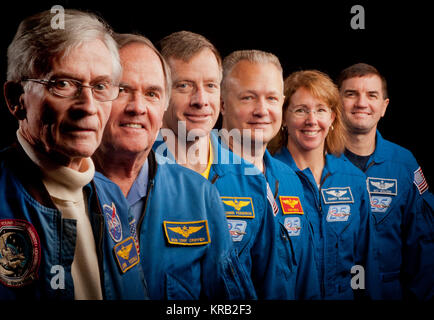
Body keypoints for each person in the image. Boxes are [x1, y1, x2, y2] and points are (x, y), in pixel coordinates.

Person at [0, 9, 146, 299]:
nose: (88, 106)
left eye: (100, 86)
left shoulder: (112, 200)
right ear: (15, 99)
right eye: (63, 84)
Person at [92, 33, 255, 300]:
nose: (138, 107)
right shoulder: (64, 191)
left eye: (152, 93)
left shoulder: (201, 196)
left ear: (163, 102)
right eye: (122, 90)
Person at [153, 31, 290, 299]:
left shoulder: (250, 180)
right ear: (160, 92)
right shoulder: (137, 175)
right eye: (184, 85)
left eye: (211, 86)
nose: (201, 100)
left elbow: (272, 287)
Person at [219, 49, 320, 299]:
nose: (262, 110)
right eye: (248, 98)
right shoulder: (199, 177)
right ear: (221, 103)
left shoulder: (290, 180)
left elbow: (307, 282)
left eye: (272, 99)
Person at [268, 70, 373, 300]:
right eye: (301, 110)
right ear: (284, 117)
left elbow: (366, 262)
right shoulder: (267, 178)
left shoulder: (353, 180)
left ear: (333, 118)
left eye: (321, 110)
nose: (312, 120)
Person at [338, 62, 434, 300]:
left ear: (384, 107)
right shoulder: (315, 162)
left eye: (372, 95)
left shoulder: (404, 164)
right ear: (335, 103)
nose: (361, 103)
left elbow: (424, 247)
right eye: (351, 94)